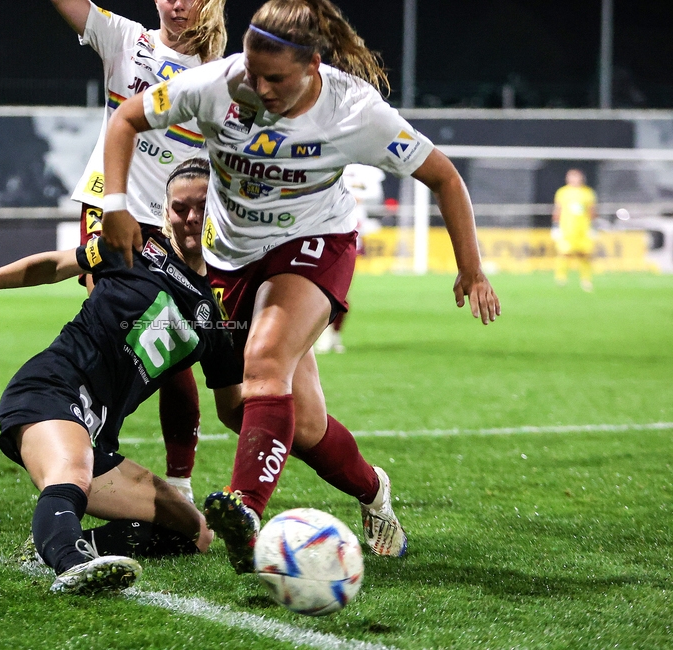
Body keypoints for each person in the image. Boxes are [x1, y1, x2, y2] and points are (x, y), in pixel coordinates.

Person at [101, 0, 501, 573]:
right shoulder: (216, 84)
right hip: (230, 258)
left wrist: (472, 267)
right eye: (252, 71)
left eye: (275, 79)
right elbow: (125, 120)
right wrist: (116, 204)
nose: (258, 88)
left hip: (315, 242)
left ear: (314, 65)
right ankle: (373, 491)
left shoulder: (354, 111)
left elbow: (442, 175)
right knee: (280, 420)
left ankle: (244, 511)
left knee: (266, 363)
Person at [0, 159, 244, 594]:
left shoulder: (218, 311)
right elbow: (55, 265)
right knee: (71, 472)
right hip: (50, 389)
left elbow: (235, 410)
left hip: (95, 432)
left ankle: (60, 548)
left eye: (203, 207)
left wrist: (288, 430)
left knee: (196, 532)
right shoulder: (135, 245)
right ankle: (70, 563)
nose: (190, 218)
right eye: (179, 208)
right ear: (165, 213)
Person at [51, 0, 227, 504]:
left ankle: (179, 484)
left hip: (177, 225)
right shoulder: (124, 39)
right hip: (111, 209)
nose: (178, 4)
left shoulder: (220, 77)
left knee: (173, 356)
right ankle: (98, 454)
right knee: (111, 333)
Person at [314, 163, 385, 354]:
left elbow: (374, 197)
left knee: (341, 293)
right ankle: (320, 334)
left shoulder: (368, 170)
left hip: (350, 237)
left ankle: (333, 334)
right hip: (323, 234)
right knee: (319, 290)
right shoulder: (330, 159)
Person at [552, 168, 597, 292]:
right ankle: (561, 278)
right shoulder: (562, 192)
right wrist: (555, 226)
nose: (574, 179)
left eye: (576, 177)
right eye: (571, 177)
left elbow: (591, 211)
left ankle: (586, 280)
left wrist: (593, 226)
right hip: (567, 229)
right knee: (564, 253)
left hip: (583, 229)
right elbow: (558, 209)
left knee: (585, 255)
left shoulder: (587, 192)